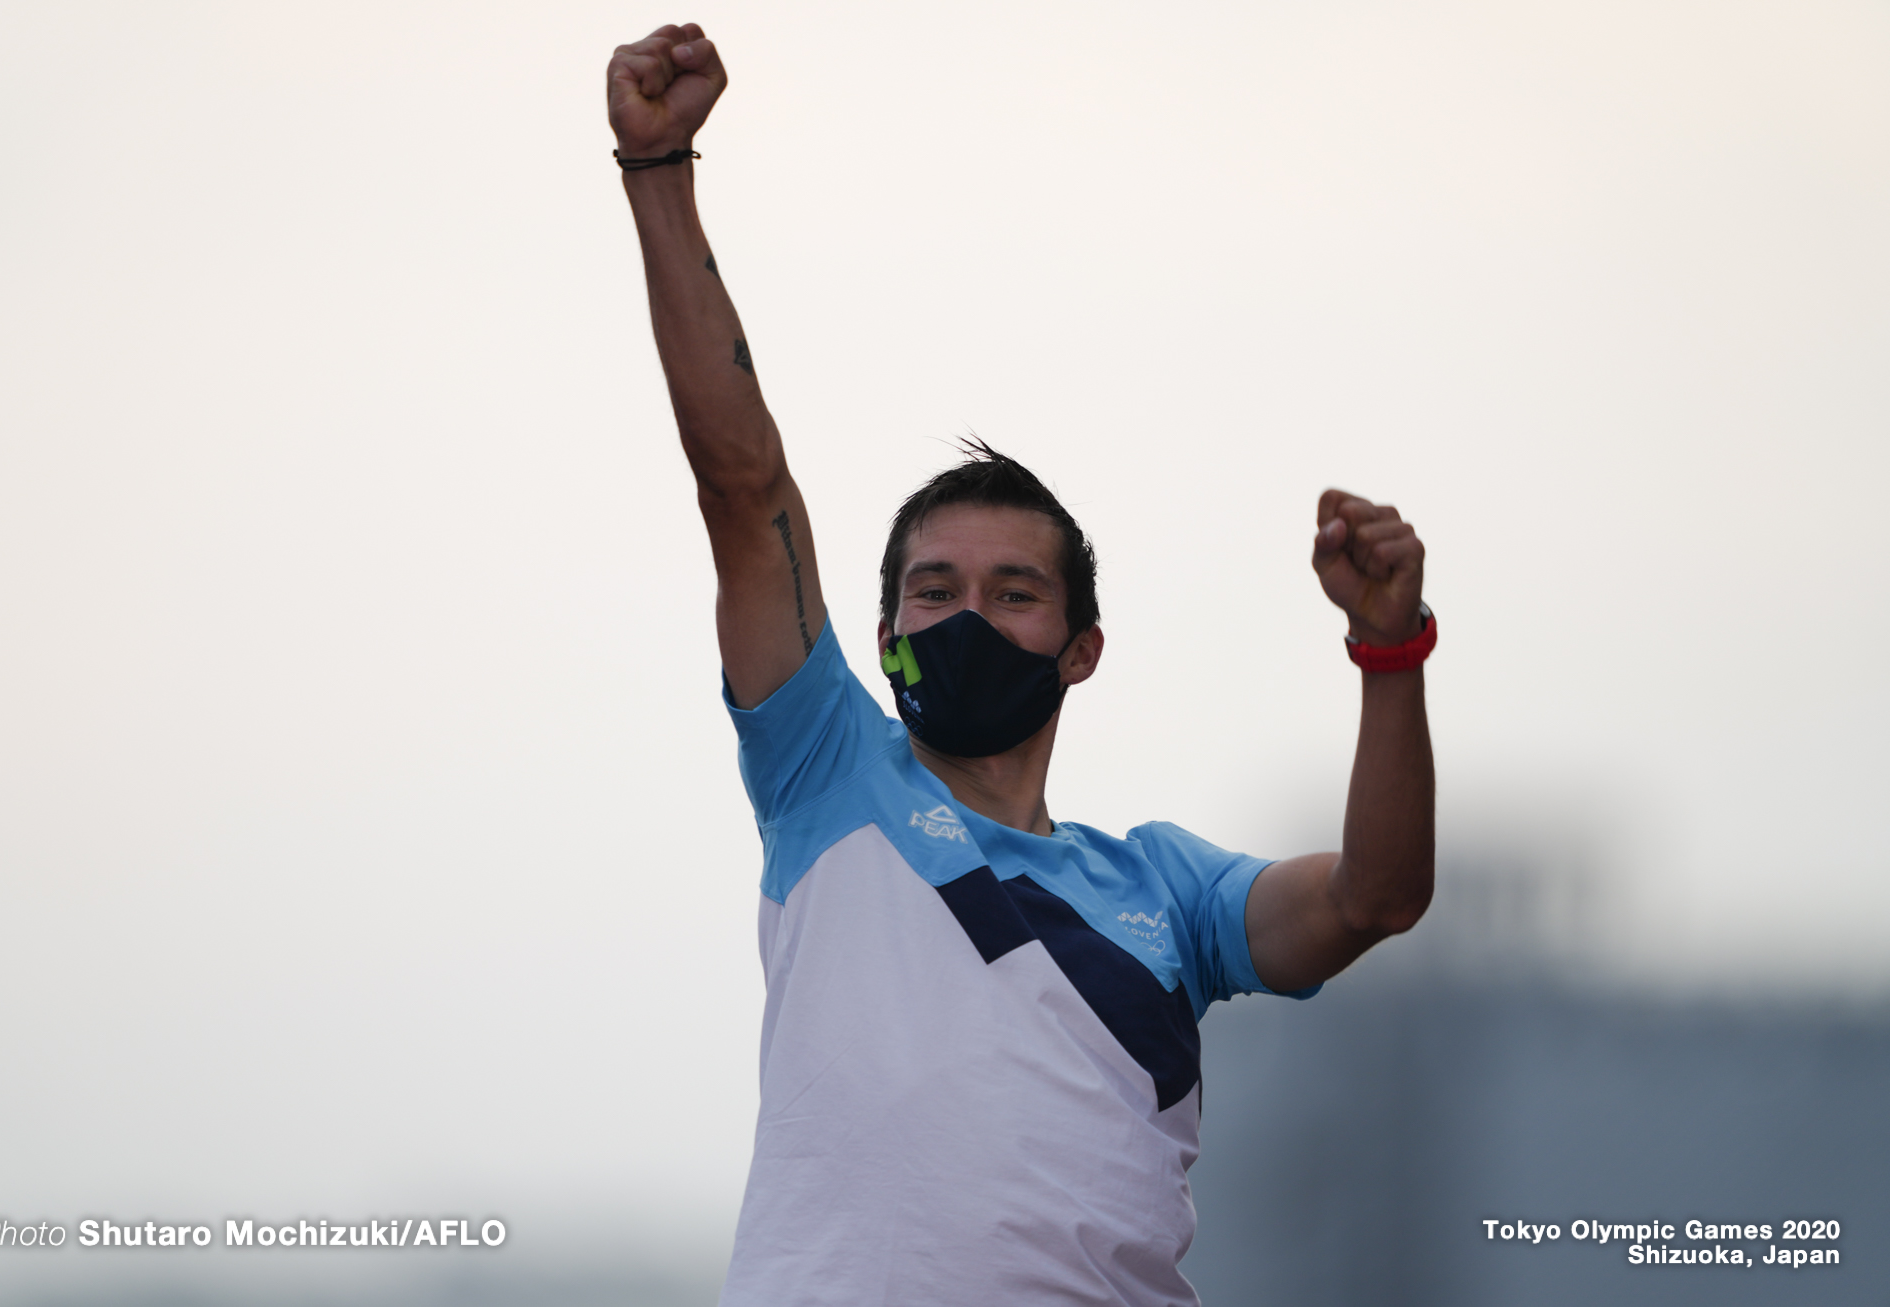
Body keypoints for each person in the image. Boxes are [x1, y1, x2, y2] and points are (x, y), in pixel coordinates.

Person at [608, 23, 1436, 1306]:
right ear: (880, 634)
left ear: (1083, 647)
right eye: (930, 591)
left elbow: (1378, 894)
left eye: (1012, 594)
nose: (964, 618)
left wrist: (1389, 651)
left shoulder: (1165, 889)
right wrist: (658, 171)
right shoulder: (823, 763)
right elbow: (743, 483)